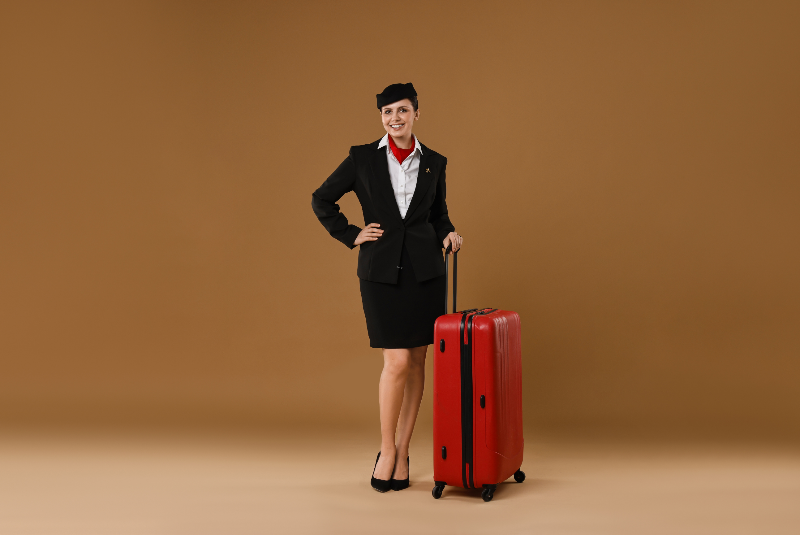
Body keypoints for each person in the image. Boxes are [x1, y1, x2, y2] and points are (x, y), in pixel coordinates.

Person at [311, 83, 463, 492]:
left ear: (416, 113)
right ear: (381, 117)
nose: (395, 118)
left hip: (426, 273)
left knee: (416, 363)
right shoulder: (362, 158)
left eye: (403, 110)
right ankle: (386, 450)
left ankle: (404, 448)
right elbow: (322, 199)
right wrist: (351, 234)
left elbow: (439, 215)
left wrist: (449, 233)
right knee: (395, 363)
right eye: (387, 112)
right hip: (381, 273)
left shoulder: (434, 161)